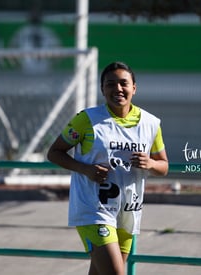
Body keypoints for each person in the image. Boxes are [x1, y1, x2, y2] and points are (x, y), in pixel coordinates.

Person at [47, 61, 169, 275]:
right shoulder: (86, 119)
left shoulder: (151, 124)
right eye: (111, 84)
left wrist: (150, 163)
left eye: (124, 83)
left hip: (127, 213)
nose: (118, 89)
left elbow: (164, 166)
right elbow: (54, 152)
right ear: (102, 89)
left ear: (134, 88)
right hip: (94, 210)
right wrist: (85, 169)